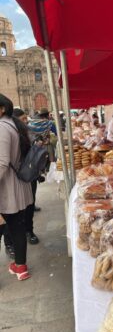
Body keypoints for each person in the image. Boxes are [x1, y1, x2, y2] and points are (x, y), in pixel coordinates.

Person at [0, 94, 33, 280]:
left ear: (2, 108)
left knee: (13, 227)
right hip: (16, 185)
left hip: (7, 188)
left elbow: (2, 162)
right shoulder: (14, 125)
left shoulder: (2, 128)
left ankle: (20, 266)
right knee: (17, 227)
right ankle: (20, 267)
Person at [13, 108, 41, 244]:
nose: (26, 121)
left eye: (26, 118)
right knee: (16, 209)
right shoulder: (9, 133)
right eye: (22, 119)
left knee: (30, 204)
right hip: (14, 177)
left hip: (30, 174)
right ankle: (13, 240)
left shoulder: (28, 131)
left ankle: (29, 231)